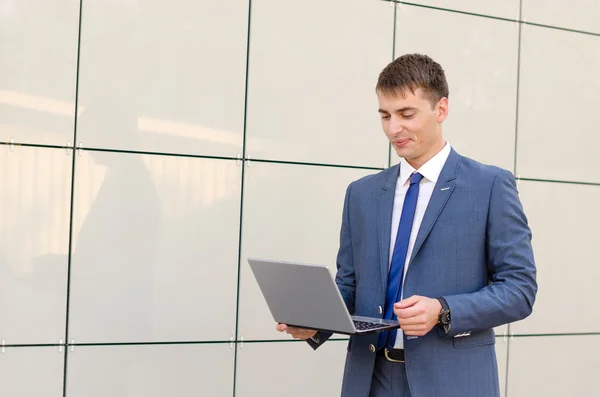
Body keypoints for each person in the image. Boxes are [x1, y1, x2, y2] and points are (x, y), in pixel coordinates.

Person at [276, 53, 537, 397]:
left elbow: (519, 290)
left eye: (406, 114)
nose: (393, 128)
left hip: (452, 382)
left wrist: (443, 310)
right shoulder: (362, 194)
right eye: (385, 115)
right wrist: (314, 321)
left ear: (441, 109)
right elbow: (350, 285)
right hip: (371, 379)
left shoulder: (489, 186)